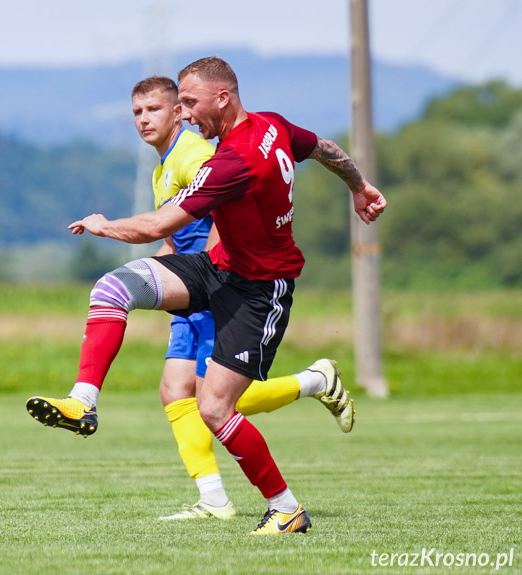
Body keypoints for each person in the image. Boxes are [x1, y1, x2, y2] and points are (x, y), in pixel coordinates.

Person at [28, 57, 386, 535]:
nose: (185, 114)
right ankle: (83, 401)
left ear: (223, 97)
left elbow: (158, 225)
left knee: (215, 409)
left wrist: (103, 225)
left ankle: (286, 508)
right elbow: (321, 147)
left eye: (190, 103)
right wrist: (358, 185)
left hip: (260, 290)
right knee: (113, 288)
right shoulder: (272, 126)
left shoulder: (232, 162)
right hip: (218, 268)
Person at [127, 76, 354, 522]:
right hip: (190, 287)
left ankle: (314, 381)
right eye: (136, 112)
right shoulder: (165, 166)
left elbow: (217, 207)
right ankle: (213, 499)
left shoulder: (199, 152)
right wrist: (157, 277)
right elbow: (173, 236)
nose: (143, 120)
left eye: (155, 109)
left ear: (178, 112)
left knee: (217, 401)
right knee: (176, 390)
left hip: (221, 283)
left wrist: (212, 271)